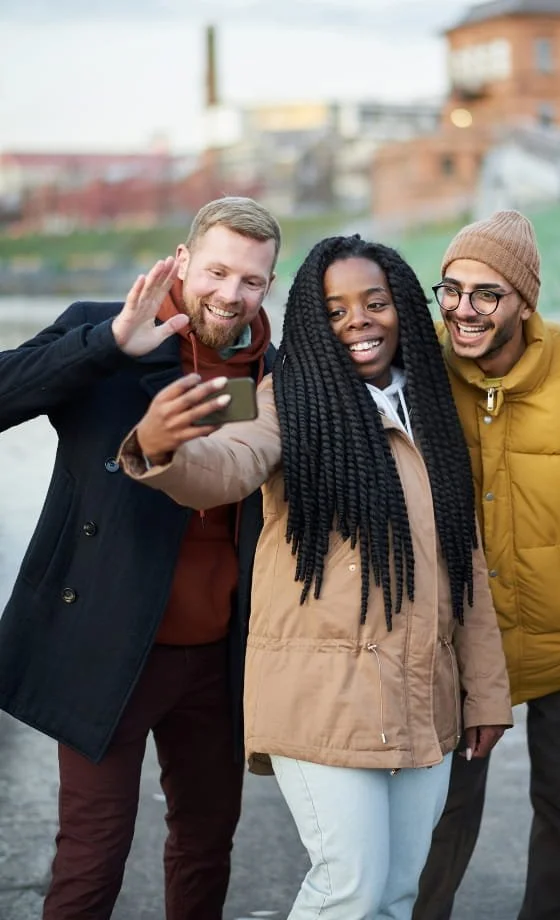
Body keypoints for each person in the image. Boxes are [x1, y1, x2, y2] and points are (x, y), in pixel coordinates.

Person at [118, 233, 513, 920]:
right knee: (348, 888)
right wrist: (160, 450)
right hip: (322, 694)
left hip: (423, 700)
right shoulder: (284, 400)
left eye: (375, 303)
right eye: (335, 310)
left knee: (394, 895)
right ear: (311, 321)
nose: (358, 321)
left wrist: (484, 695)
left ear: (404, 308)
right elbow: (229, 461)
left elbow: (464, 563)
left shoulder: (432, 409)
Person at [0, 196, 282, 920]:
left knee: (206, 847)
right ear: (182, 262)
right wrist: (106, 344)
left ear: (269, 285)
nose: (231, 293)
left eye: (251, 280)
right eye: (217, 271)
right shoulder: (107, 333)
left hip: (220, 657)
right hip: (108, 645)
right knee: (92, 857)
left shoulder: (273, 373)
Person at [415, 210, 560, 920]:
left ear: (525, 302)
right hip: (457, 641)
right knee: (442, 810)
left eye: (487, 294)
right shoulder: (420, 364)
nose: (463, 310)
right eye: (451, 290)